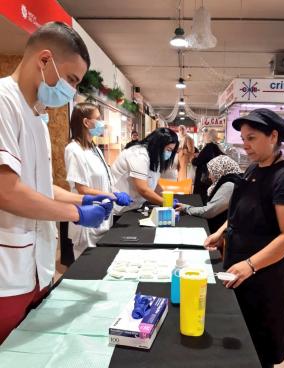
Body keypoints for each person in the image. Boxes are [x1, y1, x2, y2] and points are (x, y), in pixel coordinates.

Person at [0, 22, 114, 343]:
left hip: (36, 270)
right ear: (45, 60)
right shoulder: (3, 102)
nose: (72, 92)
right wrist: (76, 215)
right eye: (71, 80)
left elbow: (39, 187)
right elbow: (7, 192)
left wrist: (80, 200)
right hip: (6, 274)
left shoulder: (37, 114)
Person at [204, 108, 284, 368]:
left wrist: (251, 265)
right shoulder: (252, 170)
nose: (245, 144)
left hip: (265, 278)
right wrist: (219, 232)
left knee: (260, 348)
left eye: (252, 138)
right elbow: (240, 211)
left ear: (273, 136)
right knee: (240, 336)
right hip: (239, 269)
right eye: (243, 138)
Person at [65, 102, 132, 258]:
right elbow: (82, 189)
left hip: (102, 218)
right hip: (86, 219)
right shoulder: (73, 150)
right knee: (86, 267)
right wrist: (112, 196)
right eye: (98, 118)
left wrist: (115, 193)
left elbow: (105, 182)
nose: (103, 123)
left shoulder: (94, 149)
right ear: (86, 122)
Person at [111, 128, 179, 215]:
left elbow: (153, 182)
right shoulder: (138, 154)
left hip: (133, 207)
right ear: (158, 145)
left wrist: (165, 197)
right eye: (168, 149)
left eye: (171, 151)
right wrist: (165, 202)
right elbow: (143, 189)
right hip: (119, 208)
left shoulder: (154, 156)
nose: (169, 153)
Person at [177, 155, 241, 233]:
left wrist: (186, 208)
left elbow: (209, 212)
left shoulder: (229, 185)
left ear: (219, 171)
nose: (209, 177)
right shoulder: (230, 181)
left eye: (211, 173)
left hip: (217, 231)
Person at [192, 129, 225, 202]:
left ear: (208, 136)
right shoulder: (218, 147)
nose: (204, 137)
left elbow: (198, 162)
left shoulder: (208, 147)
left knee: (201, 199)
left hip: (204, 178)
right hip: (213, 178)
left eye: (205, 135)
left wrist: (194, 158)